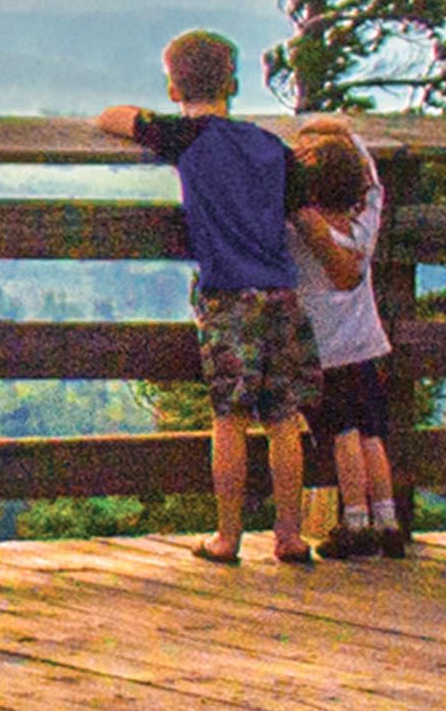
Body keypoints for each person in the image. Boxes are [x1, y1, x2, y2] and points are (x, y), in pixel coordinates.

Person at [91, 29, 317, 565]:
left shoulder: (185, 138)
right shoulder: (270, 147)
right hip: (282, 293)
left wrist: (148, 112)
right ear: (235, 85)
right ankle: (289, 534)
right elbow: (301, 212)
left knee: (229, 417)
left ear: (173, 90)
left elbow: (112, 118)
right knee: (284, 418)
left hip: (226, 296)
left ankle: (228, 535)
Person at [292, 119, 408, 560]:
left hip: (325, 353)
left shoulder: (300, 233)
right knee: (372, 434)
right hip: (368, 346)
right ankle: (388, 520)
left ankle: (355, 522)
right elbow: (374, 182)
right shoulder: (365, 227)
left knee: (342, 434)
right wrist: (348, 137)